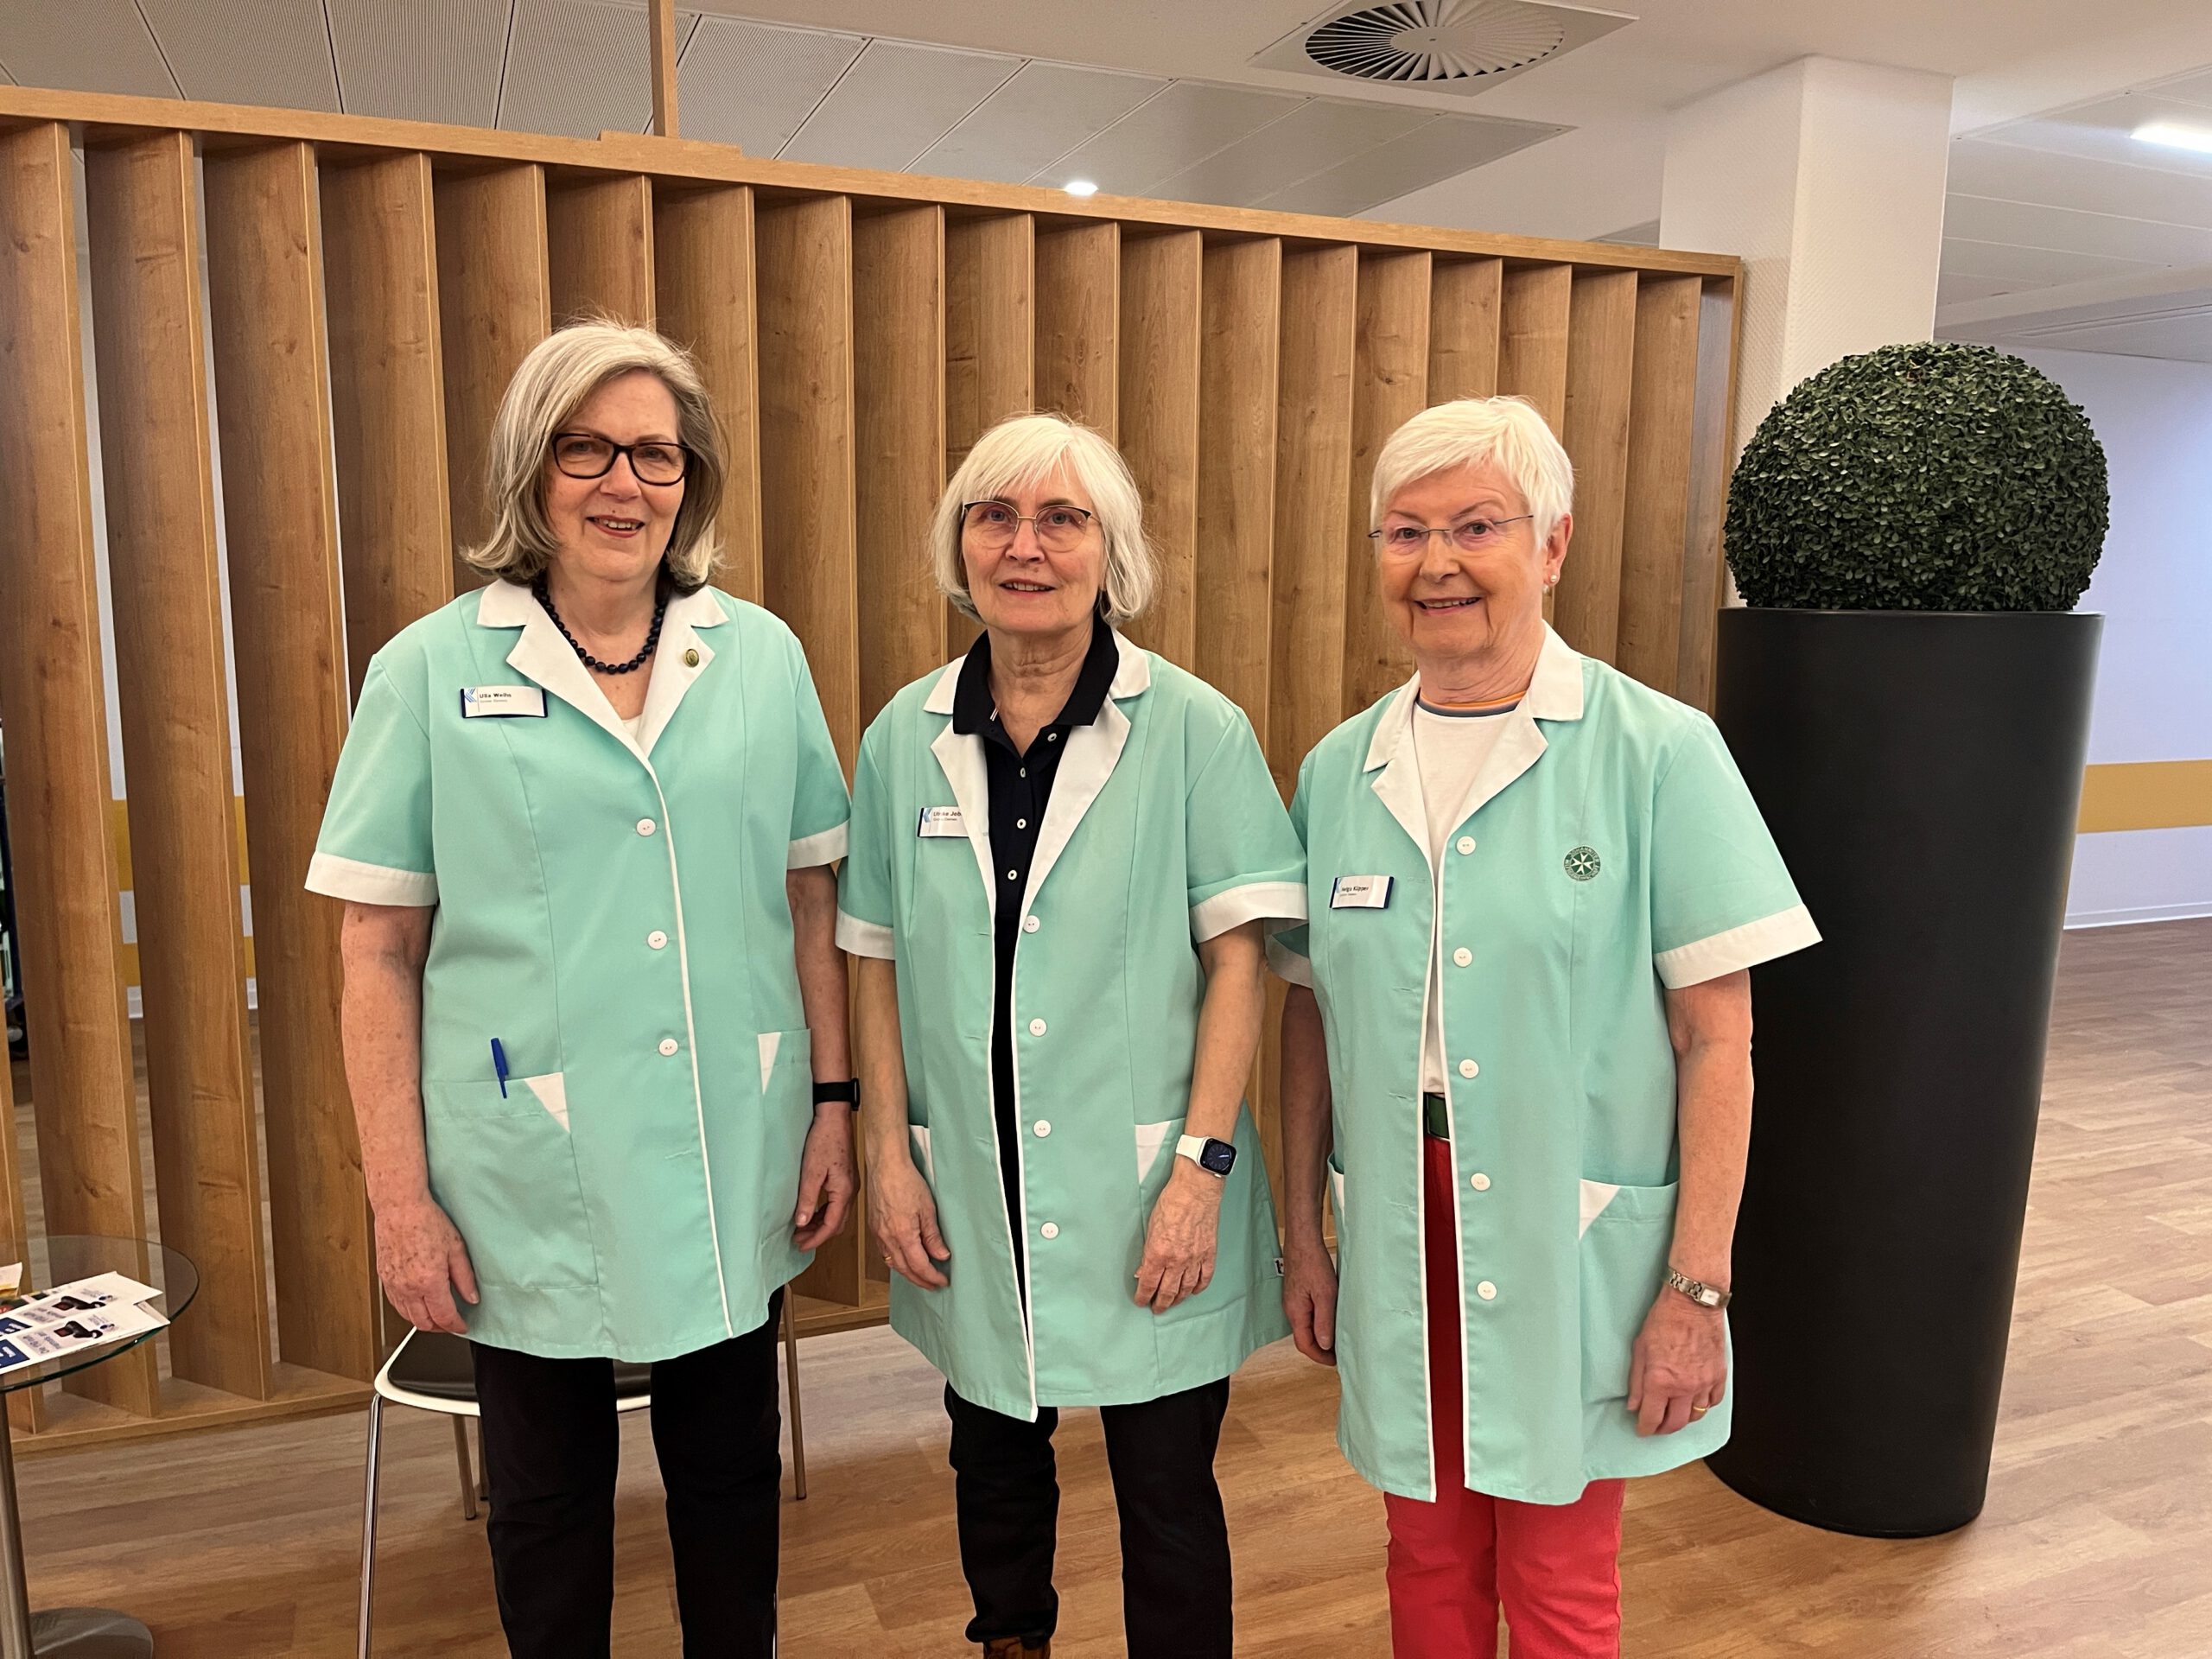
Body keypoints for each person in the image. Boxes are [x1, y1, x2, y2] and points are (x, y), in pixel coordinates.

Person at [308, 321, 855, 1658]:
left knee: (732, 1478)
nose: (625, 482)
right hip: (524, 1159)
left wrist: (833, 1102)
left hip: (736, 1135)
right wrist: (398, 1198)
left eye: (656, 454)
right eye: (586, 448)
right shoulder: (429, 669)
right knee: (547, 1504)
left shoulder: (759, 656)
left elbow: (810, 899)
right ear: (530, 471)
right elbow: (375, 949)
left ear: (692, 480)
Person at [1274, 397, 1819, 1658]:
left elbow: (1717, 1043)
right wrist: (1301, 1233)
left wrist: (1696, 1287)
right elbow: (1312, 1024)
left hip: (1566, 1219)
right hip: (1401, 1210)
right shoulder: (1336, 769)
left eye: (1477, 525)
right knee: (1424, 1548)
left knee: (1563, 1568)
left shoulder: (1659, 754)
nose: (1438, 563)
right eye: (1405, 533)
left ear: (1555, 543)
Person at [837, 413, 1303, 1659]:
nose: (1025, 546)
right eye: (996, 516)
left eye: (1062, 519)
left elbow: (1240, 961)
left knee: (1164, 1490)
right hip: (971, 1178)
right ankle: (1012, 1641)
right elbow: (870, 959)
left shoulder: (1194, 729)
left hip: (1153, 1169)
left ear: (1112, 551)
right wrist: (890, 1154)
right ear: (960, 545)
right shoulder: (903, 736)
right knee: (990, 1451)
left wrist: (1202, 1175)